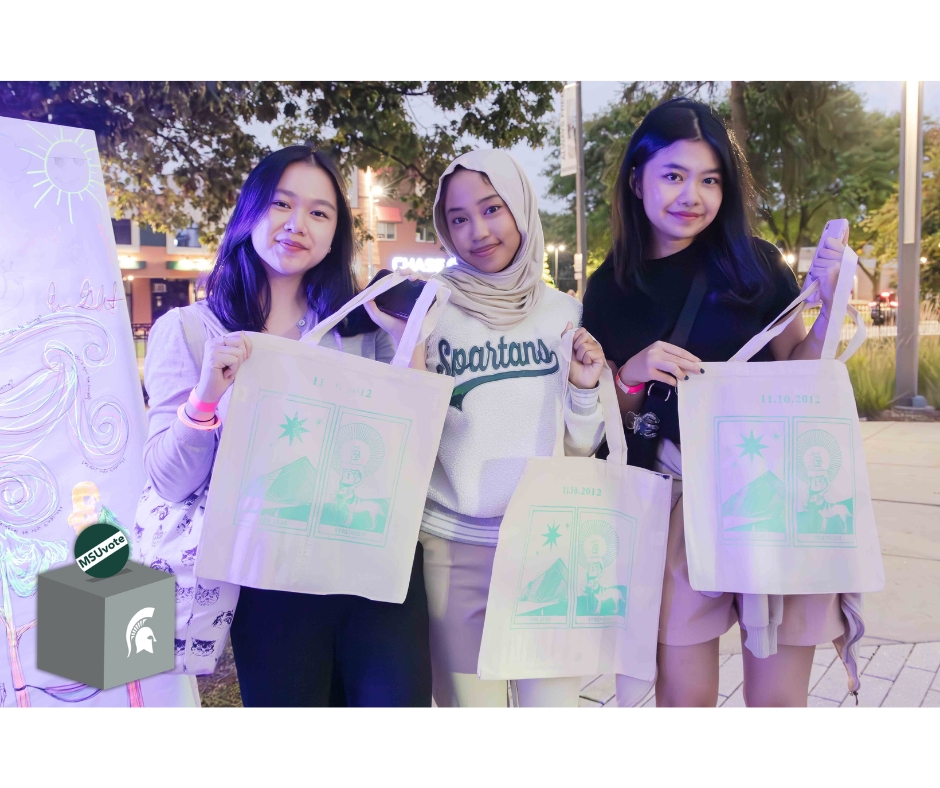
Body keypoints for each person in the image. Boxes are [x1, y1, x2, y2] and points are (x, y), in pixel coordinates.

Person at [582, 98, 858, 707]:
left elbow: (799, 375)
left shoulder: (753, 264)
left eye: (710, 179)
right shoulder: (610, 289)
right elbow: (609, 427)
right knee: (684, 706)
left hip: (772, 498)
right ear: (637, 179)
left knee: (777, 708)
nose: (693, 195)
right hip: (675, 502)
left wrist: (830, 305)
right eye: (674, 176)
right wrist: (629, 373)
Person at [142, 145, 431, 707]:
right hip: (269, 583)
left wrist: (407, 345)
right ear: (251, 210)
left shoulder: (359, 327)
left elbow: (410, 450)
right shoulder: (189, 330)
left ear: (335, 234)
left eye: (320, 213)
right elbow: (167, 481)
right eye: (282, 204)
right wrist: (206, 397)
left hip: (374, 571)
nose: (298, 225)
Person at [417, 149, 607, 707]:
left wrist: (584, 389)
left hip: (547, 546)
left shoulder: (563, 313)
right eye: (458, 218)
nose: (478, 231)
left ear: (521, 207)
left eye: (492, 208)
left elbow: (579, 448)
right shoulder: (427, 312)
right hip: (452, 550)